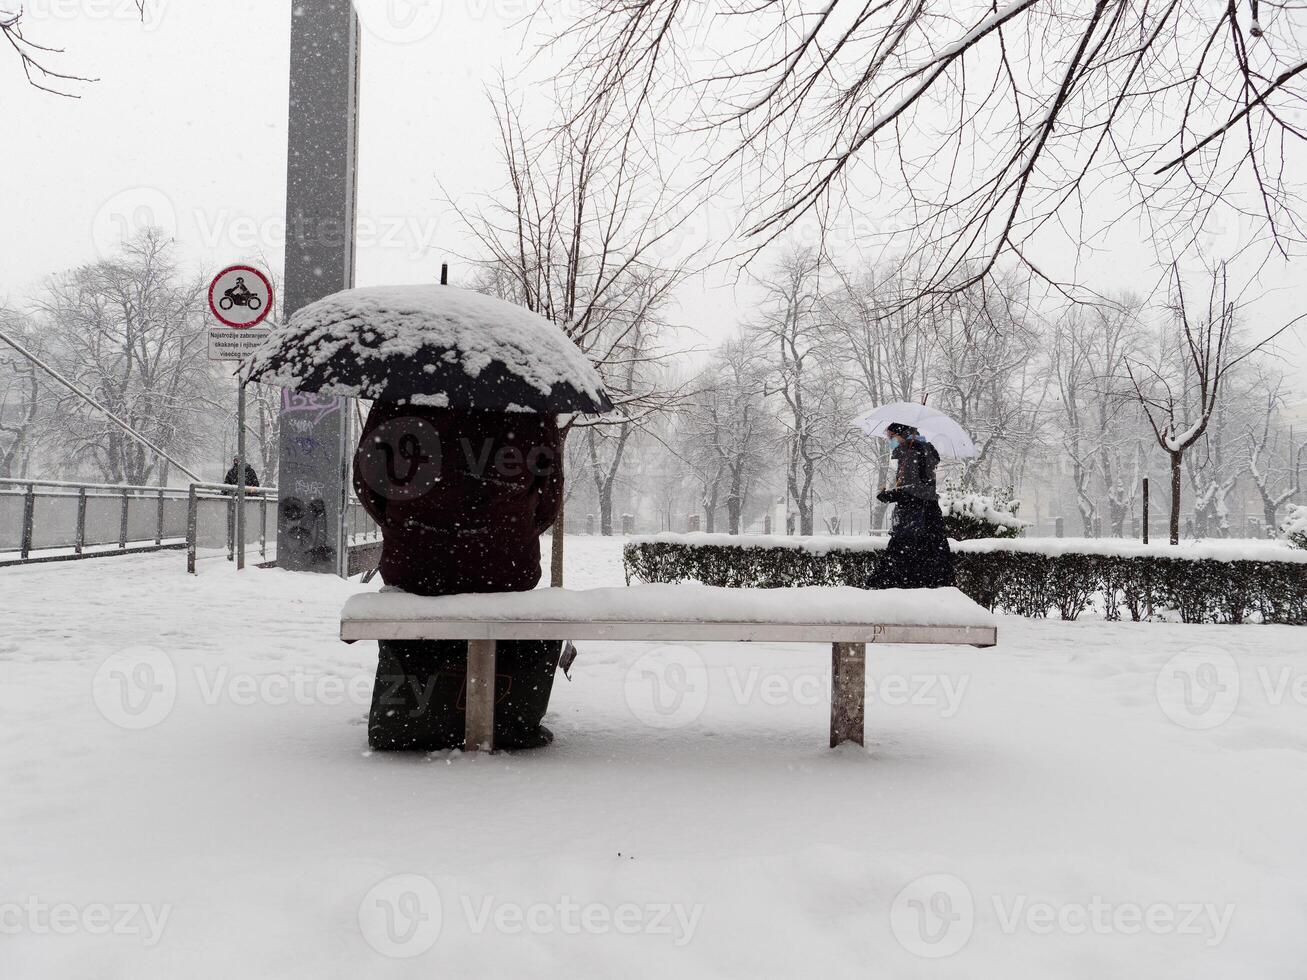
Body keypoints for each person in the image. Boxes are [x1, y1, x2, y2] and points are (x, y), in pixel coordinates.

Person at [352, 400, 564, 751]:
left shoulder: (400, 396)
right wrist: (508, 532)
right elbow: (549, 499)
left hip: (417, 565)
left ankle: (414, 713)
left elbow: (367, 483)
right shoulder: (530, 404)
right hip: (505, 569)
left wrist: (407, 526)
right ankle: (503, 715)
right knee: (499, 595)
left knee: (424, 598)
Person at [871, 423, 955, 589]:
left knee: (902, 565)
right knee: (930, 564)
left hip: (915, 519)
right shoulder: (919, 450)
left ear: (901, 435)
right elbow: (919, 487)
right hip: (927, 517)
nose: (889, 440)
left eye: (891, 436)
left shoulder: (912, 452)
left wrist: (890, 495)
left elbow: (916, 490)